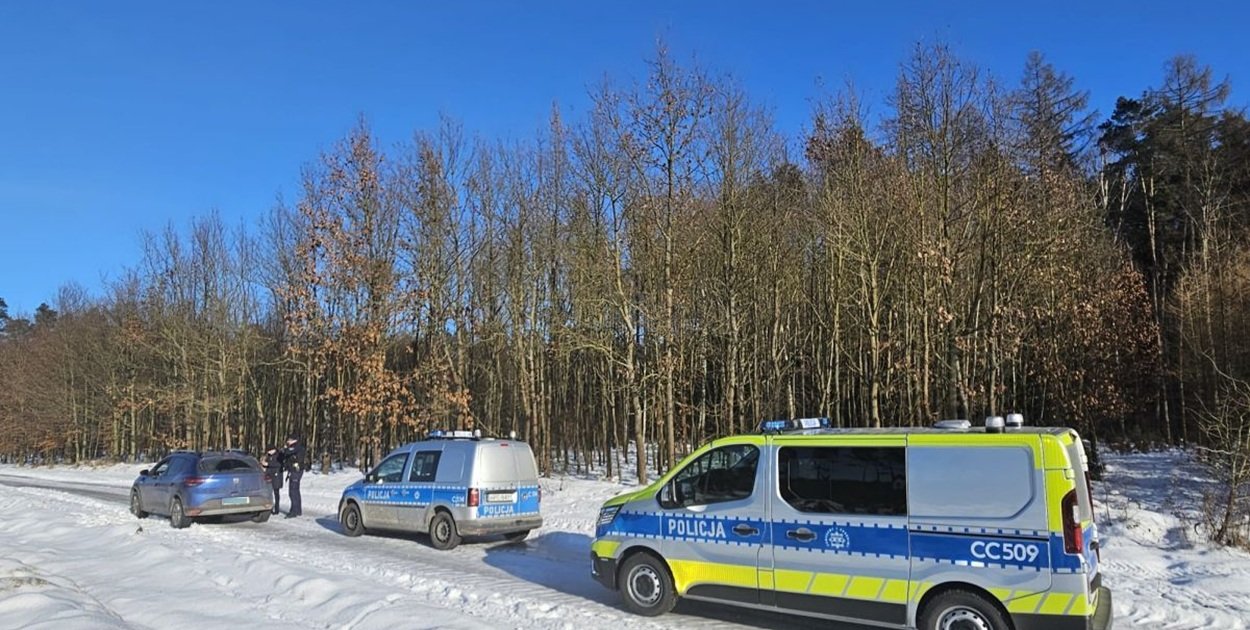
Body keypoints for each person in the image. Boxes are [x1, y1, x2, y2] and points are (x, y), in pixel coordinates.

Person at [282, 434, 307, 518]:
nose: (287, 441)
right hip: (295, 471)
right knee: (296, 491)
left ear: (294, 440)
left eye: (289, 440)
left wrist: (285, 448)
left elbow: (287, 452)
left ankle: (294, 511)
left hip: (296, 471)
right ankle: (298, 510)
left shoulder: (296, 447)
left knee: (293, 492)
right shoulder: (297, 447)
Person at [260, 445, 284, 515]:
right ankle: (268, 507)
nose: (269, 452)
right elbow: (267, 465)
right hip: (269, 476)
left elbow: (279, 464)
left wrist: (268, 464)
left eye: (270, 451)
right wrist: (264, 465)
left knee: (276, 493)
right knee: (268, 493)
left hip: (276, 476)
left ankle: (277, 509)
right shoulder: (268, 456)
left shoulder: (279, 455)